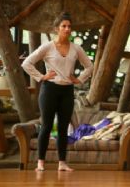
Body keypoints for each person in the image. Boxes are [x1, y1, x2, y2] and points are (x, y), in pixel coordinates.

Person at [22, 12, 93, 172]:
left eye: (69, 26)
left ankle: (62, 163)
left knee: (62, 128)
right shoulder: (47, 47)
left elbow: (90, 66)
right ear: (57, 29)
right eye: (64, 26)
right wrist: (41, 77)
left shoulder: (76, 48)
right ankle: (40, 163)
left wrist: (79, 79)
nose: (67, 29)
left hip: (67, 90)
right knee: (46, 126)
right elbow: (27, 63)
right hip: (49, 90)